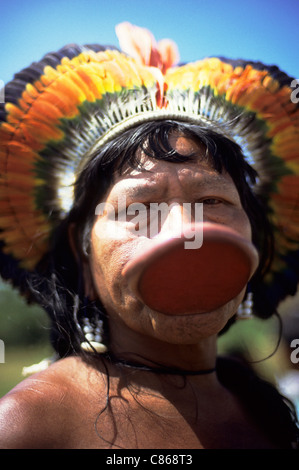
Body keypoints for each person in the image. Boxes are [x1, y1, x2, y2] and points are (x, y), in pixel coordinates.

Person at [0, 22, 298, 449]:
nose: (185, 232)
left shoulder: (267, 414)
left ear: (253, 240)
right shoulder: (26, 428)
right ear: (82, 257)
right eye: (138, 209)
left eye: (212, 201)